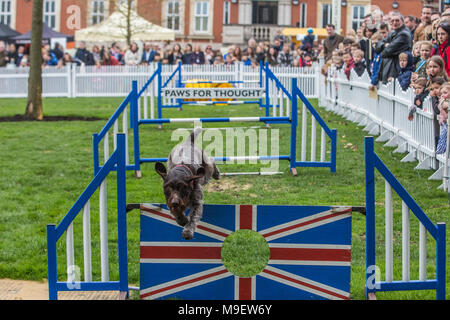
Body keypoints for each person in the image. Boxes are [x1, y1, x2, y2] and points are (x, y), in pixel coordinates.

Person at [376, 12, 412, 84]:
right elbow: (378, 46)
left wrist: (385, 47)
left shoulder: (404, 34)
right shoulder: (393, 32)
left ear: (402, 21)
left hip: (396, 67)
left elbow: (386, 52)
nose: (395, 23)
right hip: (390, 65)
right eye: (392, 21)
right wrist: (384, 45)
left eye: (397, 20)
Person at [436, 82, 450, 154]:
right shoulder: (442, 102)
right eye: (441, 93)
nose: (442, 95)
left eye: (445, 93)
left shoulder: (445, 103)